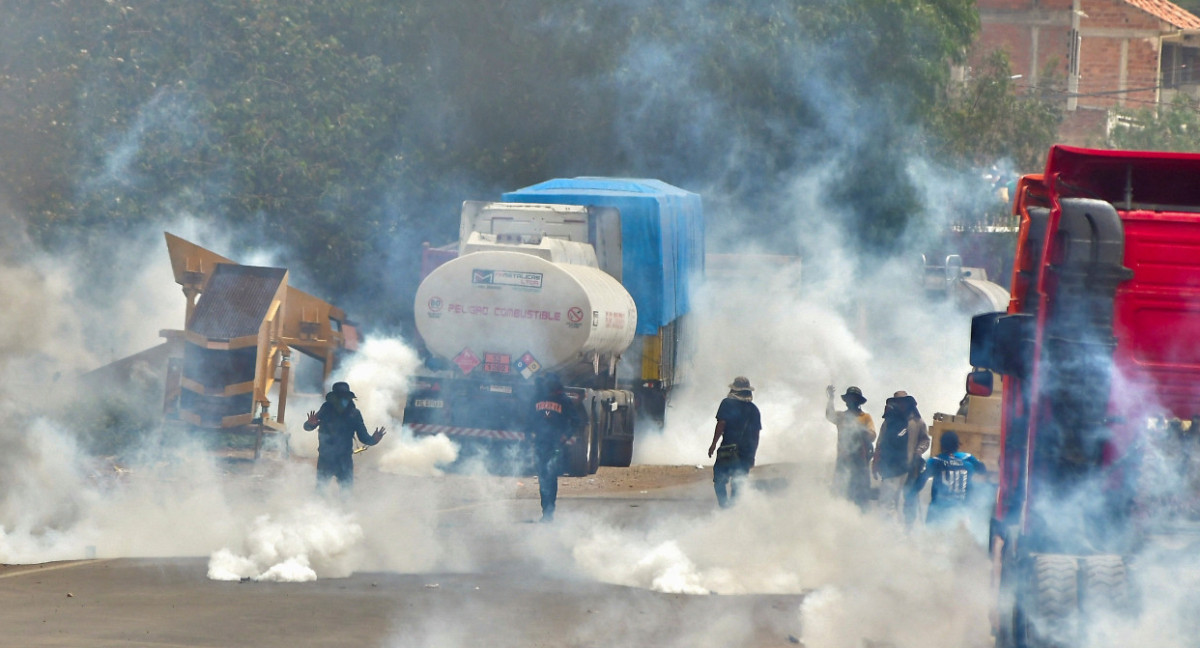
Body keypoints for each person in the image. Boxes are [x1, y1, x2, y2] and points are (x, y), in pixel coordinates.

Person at [304, 381, 386, 490]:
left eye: (344, 397)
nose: (342, 400)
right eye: (339, 396)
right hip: (326, 458)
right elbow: (308, 427)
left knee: (345, 493)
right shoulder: (326, 409)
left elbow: (364, 437)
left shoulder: (354, 414)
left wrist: (374, 440)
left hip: (344, 459)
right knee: (321, 490)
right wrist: (309, 423)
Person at [528, 372, 581, 522]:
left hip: (556, 445)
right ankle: (546, 510)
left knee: (550, 476)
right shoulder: (537, 399)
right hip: (540, 444)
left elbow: (576, 421)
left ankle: (549, 511)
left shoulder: (563, 400)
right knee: (543, 478)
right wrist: (529, 435)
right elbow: (529, 419)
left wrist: (566, 436)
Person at [871, 390, 929, 524]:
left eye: (903, 402)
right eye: (898, 402)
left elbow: (925, 440)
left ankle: (907, 528)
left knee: (908, 500)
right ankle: (889, 532)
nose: (900, 405)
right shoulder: (888, 422)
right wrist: (876, 461)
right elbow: (880, 442)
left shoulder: (917, 422)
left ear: (908, 403)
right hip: (891, 468)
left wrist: (918, 452)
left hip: (910, 467)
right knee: (888, 501)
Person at [911, 431, 987, 527]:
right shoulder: (968, 458)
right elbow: (983, 470)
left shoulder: (935, 461)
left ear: (941, 446)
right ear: (957, 445)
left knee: (933, 538)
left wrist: (911, 491)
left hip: (938, 512)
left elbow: (919, 484)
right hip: (962, 512)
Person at [707, 376, 763, 508]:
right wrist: (752, 456)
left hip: (727, 450)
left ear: (734, 390)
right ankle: (732, 509)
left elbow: (721, 424)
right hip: (746, 453)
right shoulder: (754, 410)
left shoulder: (726, 403)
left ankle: (723, 506)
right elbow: (756, 435)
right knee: (738, 482)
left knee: (720, 481)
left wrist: (713, 444)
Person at [826, 385, 876, 509]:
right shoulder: (841, 416)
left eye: (854, 399)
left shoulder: (865, 417)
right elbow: (829, 415)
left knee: (860, 489)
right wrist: (831, 399)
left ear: (858, 401)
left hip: (860, 459)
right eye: (849, 399)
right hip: (843, 458)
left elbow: (872, 435)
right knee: (841, 488)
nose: (851, 401)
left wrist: (860, 429)